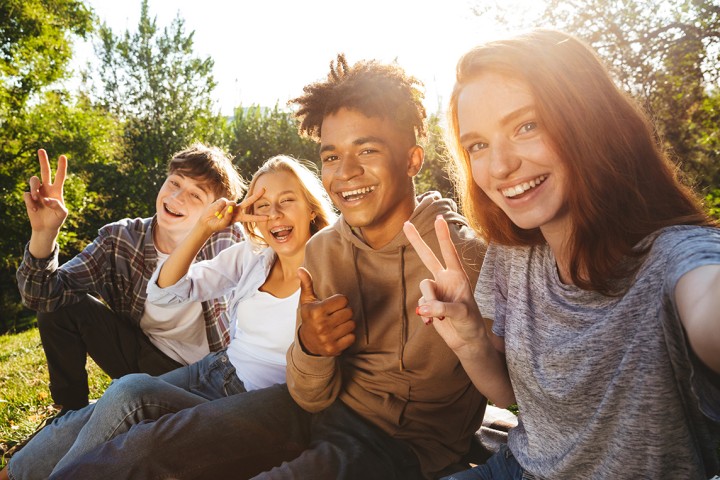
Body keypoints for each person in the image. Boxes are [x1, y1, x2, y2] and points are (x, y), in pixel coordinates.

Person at [47, 54, 488, 480]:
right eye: (331, 156)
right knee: (143, 442)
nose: (346, 171)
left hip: (396, 443)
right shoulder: (324, 251)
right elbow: (308, 392)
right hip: (303, 409)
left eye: (367, 149)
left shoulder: (464, 254)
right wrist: (312, 349)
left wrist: (472, 341)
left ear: (413, 159)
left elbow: (509, 381)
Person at [403, 29, 720, 479]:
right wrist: (472, 338)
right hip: (519, 467)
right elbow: (503, 393)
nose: (499, 167)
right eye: (478, 145)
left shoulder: (677, 258)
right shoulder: (514, 253)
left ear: (590, 120)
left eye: (526, 126)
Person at [1, 155, 336, 480]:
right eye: (263, 205)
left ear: (311, 208)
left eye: (287, 200)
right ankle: (15, 473)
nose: (274, 213)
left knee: (130, 398)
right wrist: (203, 228)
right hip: (206, 368)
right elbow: (162, 291)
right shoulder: (249, 255)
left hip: (242, 390)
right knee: (108, 400)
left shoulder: (315, 262)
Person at [16, 144, 245, 414]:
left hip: (211, 375)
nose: (177, 196)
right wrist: (44, 233)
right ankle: (70, 411)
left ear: (214, 209)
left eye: (196, 195)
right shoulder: (121, 239)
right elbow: (40, 294)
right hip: (143, 358)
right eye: (174, 183)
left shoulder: (228, 238)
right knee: (57, 309)